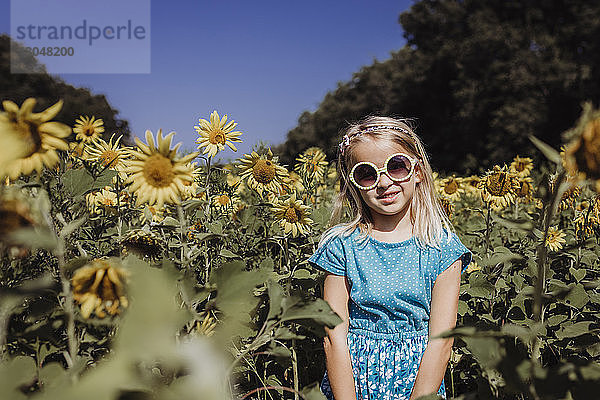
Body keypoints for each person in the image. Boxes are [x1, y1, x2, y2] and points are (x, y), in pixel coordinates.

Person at [307, 116, 472, 400]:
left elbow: (441, 342)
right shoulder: (343, 245)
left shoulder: (441, 247)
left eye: (396, 166)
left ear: (418, 171)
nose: (383, 183)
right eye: (367, 174)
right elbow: (333, 336)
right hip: (353, 382)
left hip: (419, 382)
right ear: (352, 183)